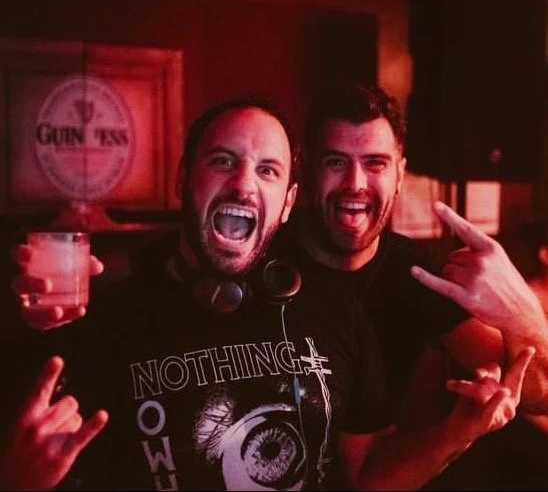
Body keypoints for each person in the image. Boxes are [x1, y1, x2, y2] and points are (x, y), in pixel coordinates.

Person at [2, 95, 533, 491]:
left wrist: (459, 427)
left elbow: (371, 469)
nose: (243, 184)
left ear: (287, 202)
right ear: (183, 178)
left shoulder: (337, 304)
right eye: (222, 161)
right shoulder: (112, 309)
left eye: (267, 170)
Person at [268, 81, 548, 486]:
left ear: (399, 173)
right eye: (336, 162)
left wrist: (522, 311)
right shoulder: (261, 255)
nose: (355, 183)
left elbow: (540, 393)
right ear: (309, 169)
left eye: (375, 163)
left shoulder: (418, 273)